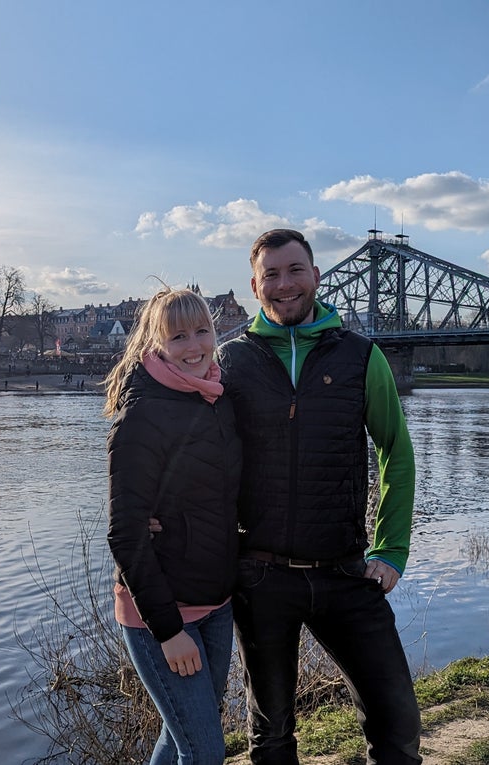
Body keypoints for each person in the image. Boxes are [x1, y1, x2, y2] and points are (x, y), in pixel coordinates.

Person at [217, 229, 421, 764]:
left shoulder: (360, 355)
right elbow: (192, 456)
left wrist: (391, 549)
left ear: (317, 275)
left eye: (295, 270)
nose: (285, 284)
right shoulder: (228, 362)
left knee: (396, 723)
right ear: (255, 286)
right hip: (260, 576)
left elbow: (395, 451)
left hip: (344, 570)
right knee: (273, 737)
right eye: (272, 275)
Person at [105, 286, 242, 764]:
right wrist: (167, 630)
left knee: (183, 734)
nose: (195, 345)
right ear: (156, 343)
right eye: (178, 335)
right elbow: (125, 533)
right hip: (162, 614)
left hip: (217, 601)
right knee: (204, 751)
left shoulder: (218, 400)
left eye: (202, 330)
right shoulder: (141, 416)